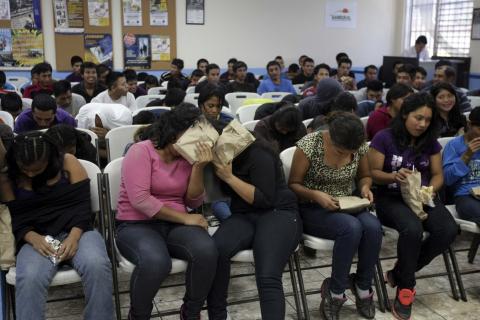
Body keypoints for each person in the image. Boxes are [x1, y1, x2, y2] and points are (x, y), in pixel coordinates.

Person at [115, 105, 217, 319]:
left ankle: (191, 312)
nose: (198, 143)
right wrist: (185, 218)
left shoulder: (188, 158)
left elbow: (193, 199)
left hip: (175, 224)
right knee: (156, 262)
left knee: (207, 251)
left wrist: (198, 167)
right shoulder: (141, 150)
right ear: (174, 132)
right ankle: (139, 315)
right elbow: (141, 200)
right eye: (193, 136)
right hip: (136, 224)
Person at [0, 131, 113, 319]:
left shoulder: (67, 162)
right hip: (34, 235)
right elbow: (16, 218)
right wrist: (32, 237)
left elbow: (83, 207)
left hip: (78, 229)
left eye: (36, 170)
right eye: (25, 169)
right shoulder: (10, 176)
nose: (30, 173)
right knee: (29, 278)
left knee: (97, 265)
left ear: (50, 159)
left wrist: (74, 237)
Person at [368, 92, 458, 320]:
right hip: (391, 197)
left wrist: (431, 190)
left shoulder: (431, 142)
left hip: (422, 196)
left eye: (427, 120)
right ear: (405, 114)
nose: (422, 124)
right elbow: (372, 174)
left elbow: (437, 175)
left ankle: (400, 272)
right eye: (418, 118)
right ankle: (406, 287)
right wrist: (393, 176)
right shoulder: (384, 137)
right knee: (413, 230)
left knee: (447, 229)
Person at [289, 112, 382, 319]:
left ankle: (363, 287)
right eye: (340, 151)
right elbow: (293, 185)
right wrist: (315, 194)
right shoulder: (309, 144)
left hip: (347, 204)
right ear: (330, 136)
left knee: (374, 227)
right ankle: (336, 292)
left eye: (349, 153)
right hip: (312, 206)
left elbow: (365, 176)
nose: (344, 156)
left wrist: (365, 188)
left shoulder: (358, 146)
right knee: (351, 228)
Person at [207, 133, 302, 320]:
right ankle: (217, 316)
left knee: (267, 275)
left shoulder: (259, 153)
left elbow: (264, 199)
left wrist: (228, 177)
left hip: (278, 211)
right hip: (243, 214)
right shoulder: (221, 157)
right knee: (215, 253)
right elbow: (218, 194)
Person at [443, 107, 480, 226]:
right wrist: (466, 155)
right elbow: (447, 179)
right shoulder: (454, 145)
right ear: (469, 124)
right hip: (465, 195)